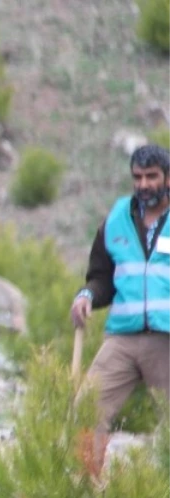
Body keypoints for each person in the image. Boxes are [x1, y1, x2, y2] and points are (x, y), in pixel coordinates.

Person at [71, 144, 170, 466]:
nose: (143, 184)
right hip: (123, 340)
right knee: (86, 411)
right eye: (137, 177)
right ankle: (84, 494)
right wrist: (87, 296)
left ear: (167, 178)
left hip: (166, 339)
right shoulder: (115, 220)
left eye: (151, 176)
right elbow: (102, 277)